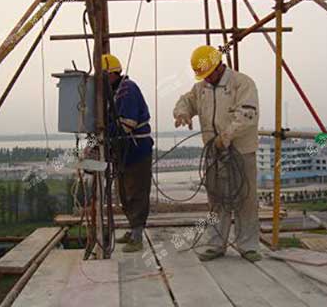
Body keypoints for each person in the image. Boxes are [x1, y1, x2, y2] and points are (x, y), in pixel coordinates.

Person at [173, 45, 261, 262]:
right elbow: (186, 101)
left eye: (208, 74)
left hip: (241, 152)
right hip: (214, 152)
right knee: (216, 199)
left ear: (219, 66)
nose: (207, 79)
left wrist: (226, 136)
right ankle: (216, 244)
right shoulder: (202, 88)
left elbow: (247, 115)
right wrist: (183, 113)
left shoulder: (242, 84)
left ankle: (248, 246)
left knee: (245, 198)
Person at [102, 53, 153, 253]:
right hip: (123, 151)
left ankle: (138, 234)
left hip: (136, 150)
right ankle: (133, 230)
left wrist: (101, 137)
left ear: (112, 74)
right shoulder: (112, 93)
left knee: (137, 191)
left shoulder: (126, 89)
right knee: (123, 192)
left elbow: (126, 124)